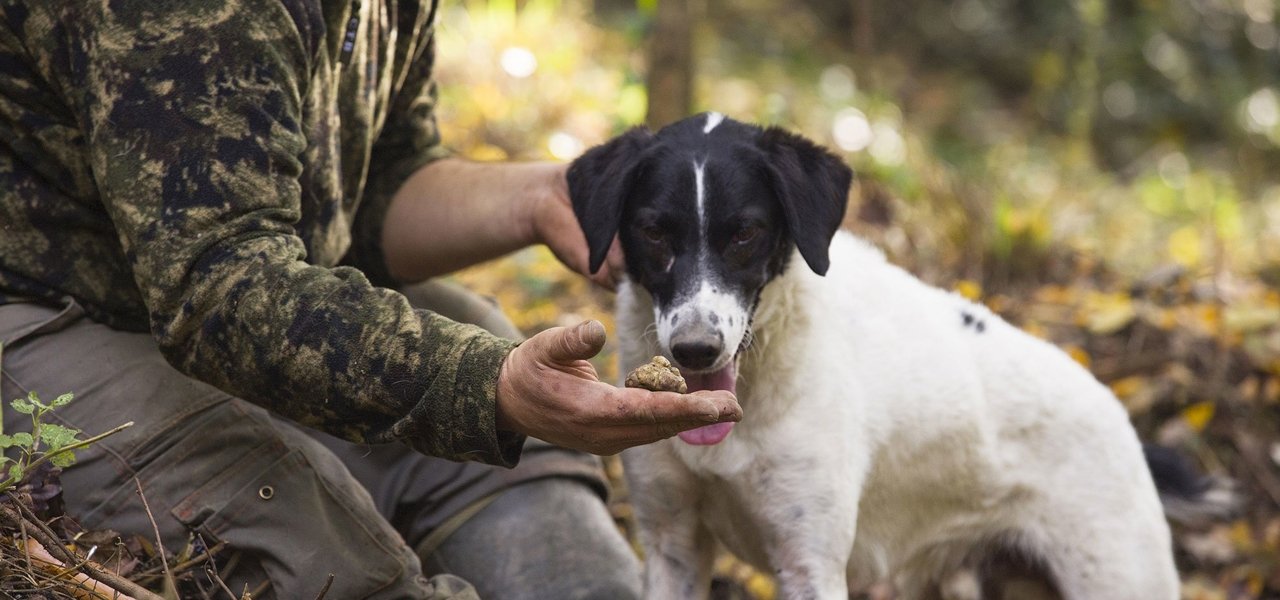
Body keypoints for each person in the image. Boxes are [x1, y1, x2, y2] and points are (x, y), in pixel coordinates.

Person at [0, 1, 741, 598]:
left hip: (231, 293)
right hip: (47, 311)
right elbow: (218, 285)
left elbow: (374, 186)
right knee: (322, 550)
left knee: (508, 410)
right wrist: (485, 386)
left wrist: (540, 197)